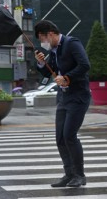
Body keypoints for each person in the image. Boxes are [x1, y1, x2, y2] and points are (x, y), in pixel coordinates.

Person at [34, 20, 91, 188]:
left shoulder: (71, 43)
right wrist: (41, 62)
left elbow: (85, 65)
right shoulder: (54, 51)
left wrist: (67, 77)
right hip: (64, 98)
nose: (42, 43)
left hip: (78, 97)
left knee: (69, 136)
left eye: (42, 39)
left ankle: (80, 175)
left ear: (50, 34)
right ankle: (69, 174)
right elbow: (47, 72)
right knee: (60, 138)